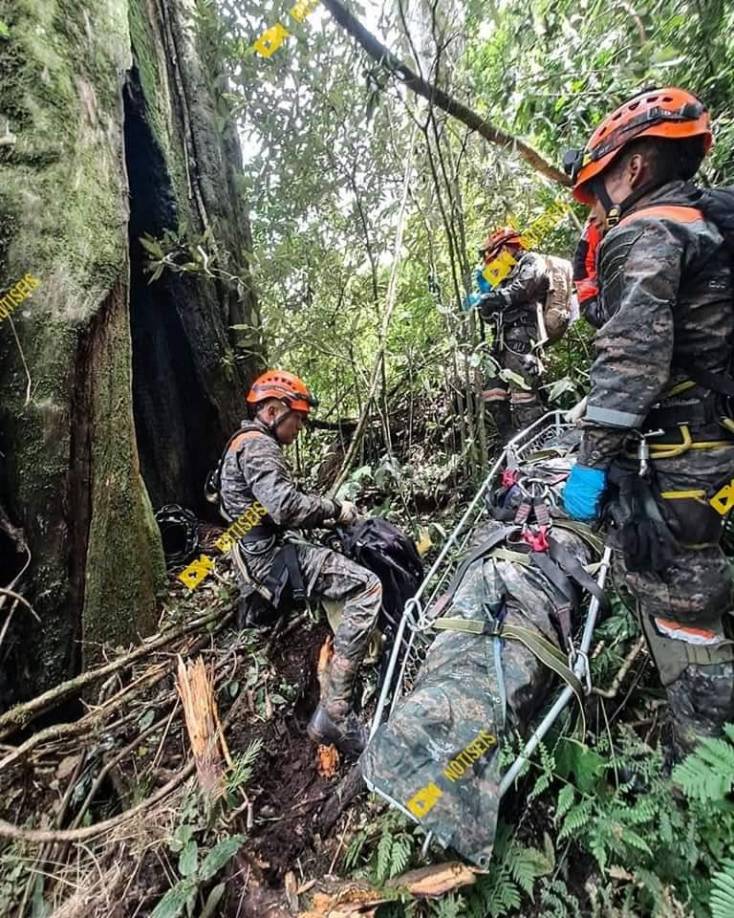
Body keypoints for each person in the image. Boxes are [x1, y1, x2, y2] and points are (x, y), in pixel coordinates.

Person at [561, 87, 734, 758]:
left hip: (689, 454)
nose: (597, 208)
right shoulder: (708, 222)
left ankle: (703, 764)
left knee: (683, 596)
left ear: (632, 166)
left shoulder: (647, 228)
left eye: (598, 187)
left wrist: (589, 462)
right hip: (718, 437)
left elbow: (632, 358)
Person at [218, 369, 383, 756]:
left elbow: (249, 513)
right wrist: (335, 510)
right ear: (274, 411)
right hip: (268, 561)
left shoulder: (240, 444)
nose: (300, 429)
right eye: (299, 420)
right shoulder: (259, 447)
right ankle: (337, 713)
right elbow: (286, 507)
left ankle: (257, 606)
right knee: (367, 586)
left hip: (252, 555)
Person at [475, 228, 568, 438]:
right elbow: (490, 316)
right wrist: (484, 303)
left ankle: (539, 448)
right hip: (500, 339)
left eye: (494, 252)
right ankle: (512, 445)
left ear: (507, 247)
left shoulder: (530, 261)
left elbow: (524, 288)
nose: (492, 259)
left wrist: (496, 297)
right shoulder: (501, 275)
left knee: (523, 396)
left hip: (522, 334)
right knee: (492, 395)